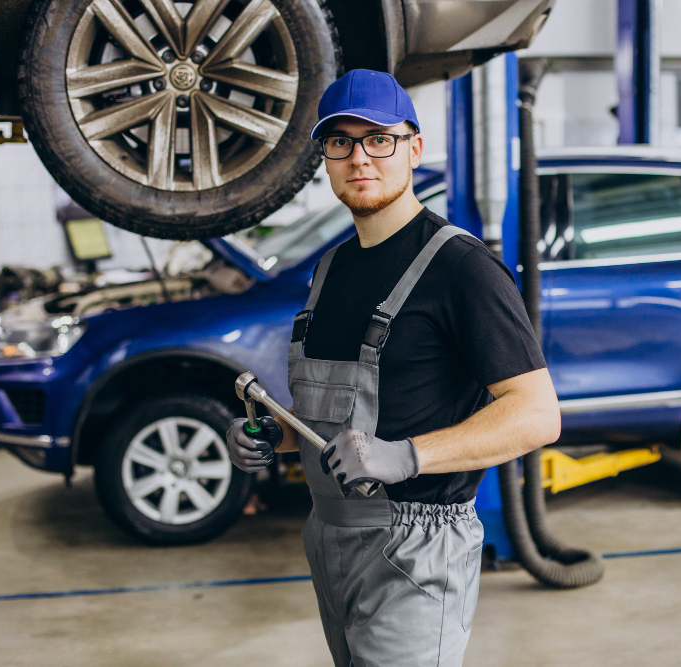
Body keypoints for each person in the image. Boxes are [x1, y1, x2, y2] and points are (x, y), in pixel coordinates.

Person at [227, 69, 561, 667]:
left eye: (379, 139)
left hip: (419, 546)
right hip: (330, 534)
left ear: (414, 149)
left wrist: (406, 456)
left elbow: (537, 416)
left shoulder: (462, 269)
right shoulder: (330, 269)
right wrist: (276, 435)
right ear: (325, 159)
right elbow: (343, 415)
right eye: (341, 142)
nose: (360, 157)